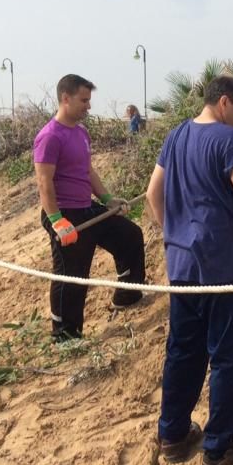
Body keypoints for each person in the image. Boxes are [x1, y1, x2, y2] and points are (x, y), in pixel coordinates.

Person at [146, 75, 233, 465]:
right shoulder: (228, 139)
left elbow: (154, 193)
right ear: (224, 102)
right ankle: (218, 451)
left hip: (182, 266)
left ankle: (173, 435)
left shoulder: (177, 135)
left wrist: (175, 234)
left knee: (183, 351)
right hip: (221, 267)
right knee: (229, 356)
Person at [34, 74, 146, 341]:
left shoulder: (81, 132)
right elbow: (43, 182)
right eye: (84, 100)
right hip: (63, 213)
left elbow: (87, 171)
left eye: (89, 100)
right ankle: (64, 334)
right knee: (73, 274)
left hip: (87, 207)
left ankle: (127, 295)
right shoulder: (49, 137)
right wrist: (57, 220)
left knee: (130, 236)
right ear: (66, 98)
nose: (88, 106)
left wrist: (107, 200)